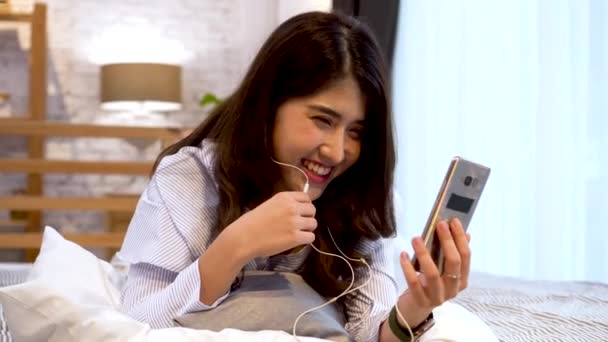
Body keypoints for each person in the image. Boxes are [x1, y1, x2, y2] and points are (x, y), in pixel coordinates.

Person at [118, 11, 471, 342]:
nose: (336, 152)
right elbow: (137, 322)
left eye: (356, 132)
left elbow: (369, 331)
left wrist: (416, 305)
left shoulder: (363, 199)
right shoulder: (189, 180)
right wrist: (235, 245)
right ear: (269, 105)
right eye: (323, 120)